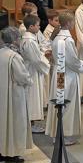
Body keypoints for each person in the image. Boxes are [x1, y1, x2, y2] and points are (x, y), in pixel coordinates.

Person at [45, 11, 83, 145]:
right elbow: (72, 61)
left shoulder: (57, 37)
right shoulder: (67, 40)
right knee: (66, 103)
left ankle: (56, 134)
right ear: (69, 24)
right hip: (66, 75)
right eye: (73, 22)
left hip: (58, 73)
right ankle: (64, 135)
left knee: (59, 102)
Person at [0, 27, 33, 163]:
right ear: (14, 40)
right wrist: (30, 81)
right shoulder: (14, 57)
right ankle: (12, 154)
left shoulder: (1, 53)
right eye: (19, 38)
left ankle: (2, 151)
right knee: (14, 124)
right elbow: (22, 77)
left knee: (3, 124)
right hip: (14, 96)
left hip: (2, 95)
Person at [20, 15, 50, 133]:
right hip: (32, 71)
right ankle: (30, 124)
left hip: (33, 70)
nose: (39, 27)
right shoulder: (29, 41)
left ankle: (31, 122)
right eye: (37, 25)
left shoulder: (29, 38)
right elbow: (36, 59)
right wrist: (48, 63)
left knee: (33, 97)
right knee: (32, 97)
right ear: (31, 27)